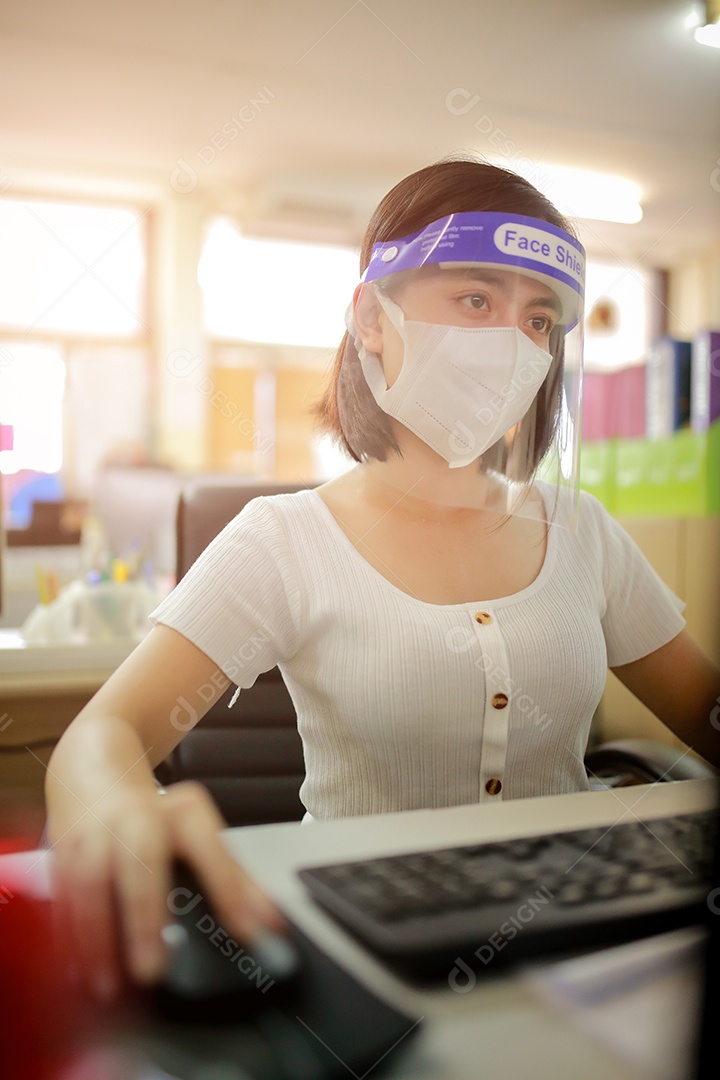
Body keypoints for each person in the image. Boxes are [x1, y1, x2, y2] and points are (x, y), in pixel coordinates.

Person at [46, 155, 720, 1002]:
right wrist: (113, 807)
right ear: (372, 317)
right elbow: (101, 737)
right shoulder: (285, 538)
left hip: (590, 948)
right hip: (368, 957)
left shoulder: (582, 531)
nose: (515, 343)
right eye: (476, 300)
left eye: (539, 320)